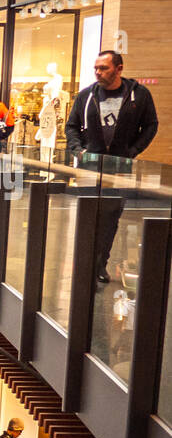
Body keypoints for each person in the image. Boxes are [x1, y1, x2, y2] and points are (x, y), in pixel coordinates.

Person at [64, 50, 159, 283]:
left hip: (119, 167)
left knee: (110, 218)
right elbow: (72, 126)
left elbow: (150, 126)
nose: (98, 72)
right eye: (96, 68)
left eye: (104, 68)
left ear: (119, 69)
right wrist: (79, 150)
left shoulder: (139, 95)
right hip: (89, 166)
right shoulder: (86, 95)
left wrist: (132, 152)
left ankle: (99, 264)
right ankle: (84, 263)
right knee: (88, 216)